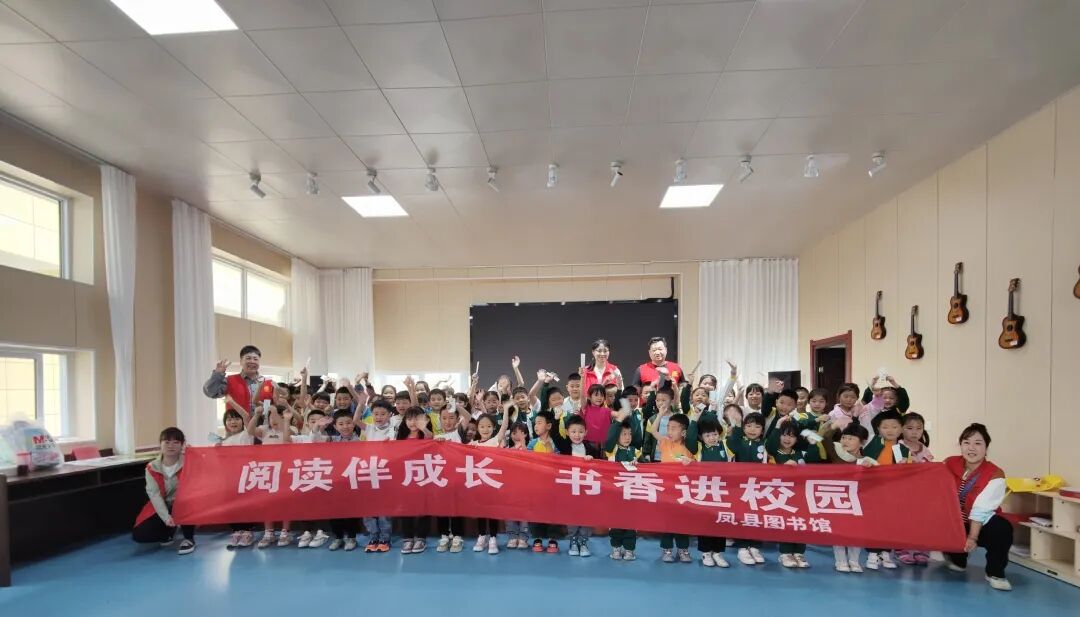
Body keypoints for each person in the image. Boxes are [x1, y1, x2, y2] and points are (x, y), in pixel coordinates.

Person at [944, 424, 1014, 591]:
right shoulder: (949, 463)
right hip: (955, 523)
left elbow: (981, 509)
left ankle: (995, 573)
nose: (971, 448)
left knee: (1002, 528)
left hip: (980, 524)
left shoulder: (995, 474)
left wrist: (972, 537)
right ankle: (957, 558)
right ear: (960, 445)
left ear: (986, 448)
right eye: (966, 442)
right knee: (938, 522)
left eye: (977, 443)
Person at [133, 427, 195, 555]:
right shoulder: (152, 467)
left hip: (185, 504)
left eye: (176, 442)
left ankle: (188, 538)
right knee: (140, 534)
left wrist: (194, 453)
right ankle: (168, 533)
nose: (171, 446)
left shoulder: (190, 462)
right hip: (164, 504)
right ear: (160, 444)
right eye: (167, 442)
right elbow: (154, 495)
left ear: (182, 445)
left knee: (186, 503)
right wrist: (166, 518)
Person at [823, 422, 875, 572]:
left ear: (862, 442)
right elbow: (825, 439)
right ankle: (840, 561)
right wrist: (833, 427)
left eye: (851, 438)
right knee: (839, 531)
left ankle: (854, 561)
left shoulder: (867, 461)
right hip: (838, 499)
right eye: (844, 437)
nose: (845, 441)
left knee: (856, 532)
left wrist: (871, 467)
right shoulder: (836, 453)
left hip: (858, 502)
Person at [645, 410, 696, 563]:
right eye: (668, 427)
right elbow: (653, 430)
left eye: (674, 428)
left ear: (684, 432)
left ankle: (683, 550)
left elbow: (697, 466)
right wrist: (660, 414)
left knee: (682, 522)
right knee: (667, 522)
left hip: (683, 491)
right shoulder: (665, 442)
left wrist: (691, 462)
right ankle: (667, 550)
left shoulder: (690, 447)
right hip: (666, 491)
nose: (669, 431)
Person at [725, 412, 768, 565]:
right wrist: (737, 426)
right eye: (748, 426)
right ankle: (742, 547)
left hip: (759, 487)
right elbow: (731, 444)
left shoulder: (765, 444)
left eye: (757, 426)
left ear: (762, 430)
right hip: (740, 487)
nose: (752, 429)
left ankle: (755, 546)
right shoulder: (739, 441)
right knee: (742, 516)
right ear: (743, 428)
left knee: (757, 516)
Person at [469, 411, 511, 554]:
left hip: (493, 483)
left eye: (488, 426)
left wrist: (506, 410)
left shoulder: (495, 441)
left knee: (492, 512)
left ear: (493, 427)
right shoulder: (473, 444)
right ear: (477, 428)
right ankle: (482, 536)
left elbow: (504, 427)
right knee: (481, 511)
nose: (485, 429)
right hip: (478, 484)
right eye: (482, 426)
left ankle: (493, 538)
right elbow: (455, 449)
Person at [895, 413, 933, 566]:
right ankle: (901, 548)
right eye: (910, 428)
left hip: (921, 492)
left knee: (921, 520)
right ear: (901, 429)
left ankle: (921, 548)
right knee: (902, 520)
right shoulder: (897, 447)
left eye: (919, 428)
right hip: (901, 492)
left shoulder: (925, 449)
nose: (914, 432)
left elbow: (931, 469)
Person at [693, 417, 731, 568]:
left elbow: (734, 437)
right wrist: (695, 419)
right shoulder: (699, 448)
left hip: (722, 491)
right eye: (707, 435)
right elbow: (690, 438)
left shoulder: (725, 445)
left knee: (720, 521)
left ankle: (718, 552)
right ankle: (706, 552)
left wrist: (733, 422)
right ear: (701, 437)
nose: (712, 438)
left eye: (714, 434)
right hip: (704, 491)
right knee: (705, 521)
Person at [396, 407, 432, 554]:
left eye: (417, 419)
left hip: (424, 477)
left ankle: (421, 538)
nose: (413, 422)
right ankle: (408, 538)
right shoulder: (400, 437)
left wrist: (424, 428)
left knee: (423, 508)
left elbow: (431, 438)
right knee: (406, 508)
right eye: (409, 419)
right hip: (406, 478)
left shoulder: (426, 435)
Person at [203, 345, 276, 416]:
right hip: (236, 423)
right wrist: (218, 374)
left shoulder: (269, 383)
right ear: (241, 361)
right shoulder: (229, 381)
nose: (252, 361)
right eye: (248, 358)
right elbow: (210, 392)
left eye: (255, 359)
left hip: (263, 424)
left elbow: (276, 407)